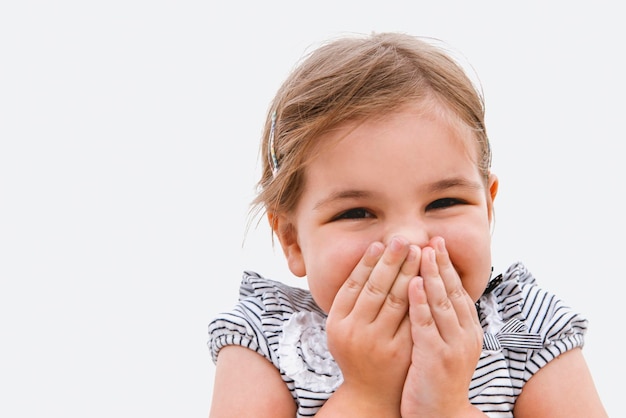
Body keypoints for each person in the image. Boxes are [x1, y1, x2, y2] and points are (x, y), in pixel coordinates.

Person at [207, 32, 607, 417]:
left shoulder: (529, 329)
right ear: (292, 240)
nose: (410, 240)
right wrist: (366, 396)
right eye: (356, 212)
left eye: (444, 202)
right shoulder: (265, 340)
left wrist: (447, 408)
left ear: (487, 209)